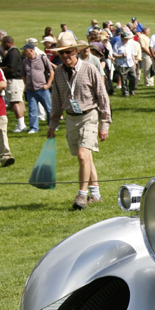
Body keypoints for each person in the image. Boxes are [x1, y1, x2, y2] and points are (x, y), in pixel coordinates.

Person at [47, 42, 109, 208]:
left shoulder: (89, 68)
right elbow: (56, 100)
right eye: (61, 53)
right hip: (71, 118)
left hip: (89, 115)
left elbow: (103, 97)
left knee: (82, 155)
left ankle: (81, 195)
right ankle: (95, 194)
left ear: (76, 51)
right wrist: (52, 124)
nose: (66, 56)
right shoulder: (58, 72)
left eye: (68, 52)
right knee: (85, 157)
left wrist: (105, 124)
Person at [21, 39, 54, 133]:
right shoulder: (25, 62)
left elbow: (51, 71)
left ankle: (52, 125)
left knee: (49, 109)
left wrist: (48, 84)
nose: (23, 52)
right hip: (31, 90)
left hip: (42, 88)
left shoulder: (42, 58)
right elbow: (23, 74)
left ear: (31, 50)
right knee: (32, 110)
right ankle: (34, 128)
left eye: (25, 50)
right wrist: (26, 84)